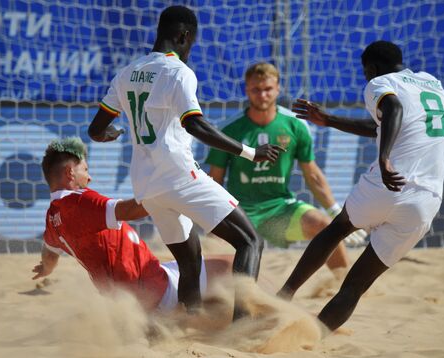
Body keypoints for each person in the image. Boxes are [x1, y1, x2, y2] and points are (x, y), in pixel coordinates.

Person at [87, 6, 283, 316]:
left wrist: (111, 133)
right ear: (183, 36)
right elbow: (196, 125)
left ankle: (188, 325)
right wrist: (250, 152)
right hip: (178, 177)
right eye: (191, 43)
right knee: (250, 242)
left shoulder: (126, 73)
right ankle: (241, 327)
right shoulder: (177, 72)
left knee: (189, 259)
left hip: (146, 186)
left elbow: (95, 130)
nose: (190, 49)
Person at [277, 40, 444, 331]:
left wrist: (384, 159)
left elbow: (392, 109)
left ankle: (285, 295)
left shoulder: (379, 83)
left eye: (365, 72)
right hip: (425, 202)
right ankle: (311, 339)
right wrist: (329, 120)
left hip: (388, 182)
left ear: (370, 68)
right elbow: (382, 125)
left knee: (337, 229)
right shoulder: (432, 84)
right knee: (355, 287)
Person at [33, 137, 233, 313]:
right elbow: (129, 211)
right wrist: (171, 192)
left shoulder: (53, 218)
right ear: (70, 172)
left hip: (132, 299)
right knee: (231, 265)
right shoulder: (79, 202)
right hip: (159, 289)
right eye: (85, 170)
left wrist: (46, 269)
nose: (90, 177)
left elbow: (50, 253)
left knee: (210, 282)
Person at [206, 62, 367, 273]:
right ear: (246, 90)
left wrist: (335, 211)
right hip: (240, 212)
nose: (262, 95)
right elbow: (214, 180)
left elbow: (313, 175)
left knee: (325, 226)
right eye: (256, 89)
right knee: (216, 266)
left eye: (268, 89)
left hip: (279, 210)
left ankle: (340, 288)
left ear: (278, 89)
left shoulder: (295, 125)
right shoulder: (229, 129)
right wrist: (212, 219)